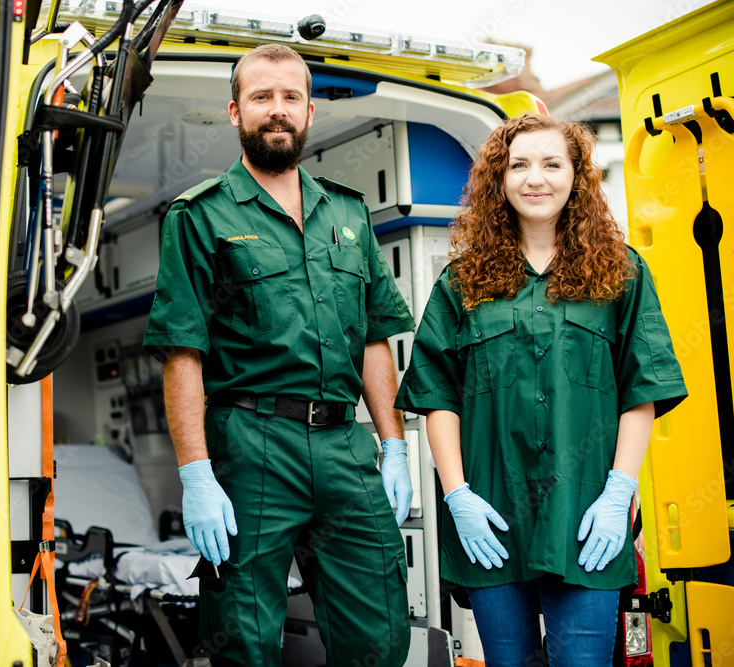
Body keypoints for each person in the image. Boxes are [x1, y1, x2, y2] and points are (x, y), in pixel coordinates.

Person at [142, 43, 414, 666]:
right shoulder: (199, 215)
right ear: (235, 112)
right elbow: (182, 352)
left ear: (311, 112)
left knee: (380, 634)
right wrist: (195, 472)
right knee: (244, 638)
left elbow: (375, 335)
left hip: (346, 447)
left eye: (291, 97)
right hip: (251, 444)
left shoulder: (347, 213)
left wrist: (394, 444)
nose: (278, 110)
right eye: (262, 97)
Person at [394, 113, 687, 666]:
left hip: (585, 520)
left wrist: (618, 493)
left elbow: (641, 391)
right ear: (499, 179)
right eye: (519, 164)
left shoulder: (621, 273)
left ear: (577, 177)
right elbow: (436, 397)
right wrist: (457, 496)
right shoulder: (462, 282)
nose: (536, 178)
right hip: (492, 522)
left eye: (553, 163)